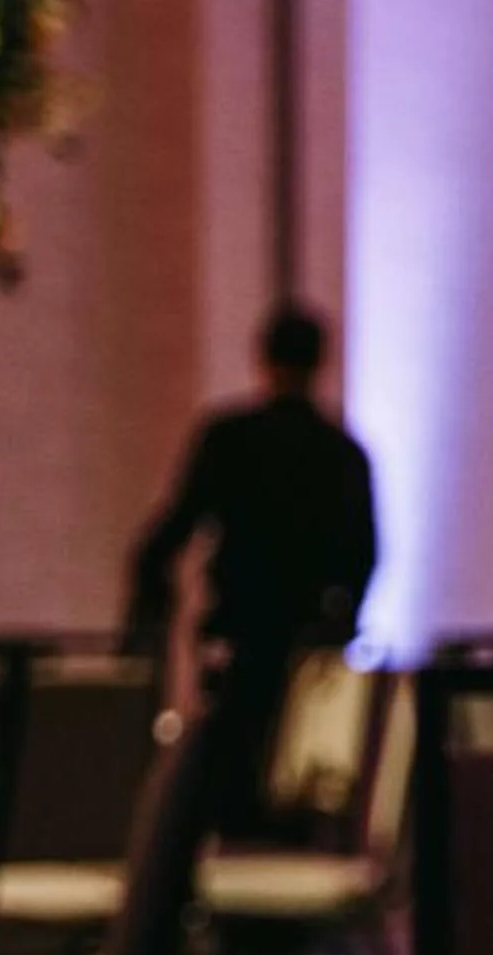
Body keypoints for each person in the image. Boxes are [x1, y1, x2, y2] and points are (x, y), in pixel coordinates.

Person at [129, 304, 379, 836]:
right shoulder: (342, 454)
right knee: (298, 786)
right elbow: (367, 555)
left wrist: (148, 609)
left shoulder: (230, 439)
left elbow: (173, 531)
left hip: (237, 631)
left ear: (262, 358)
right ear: (321, 362)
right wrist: (341, 624)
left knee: (228, 769)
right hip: (308, 643)